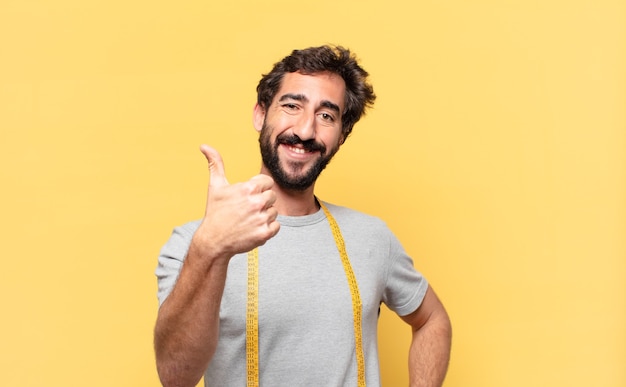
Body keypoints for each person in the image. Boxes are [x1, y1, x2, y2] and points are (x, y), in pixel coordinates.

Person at [154, 45, 452, 387]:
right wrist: (209, 248)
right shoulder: (191, 244)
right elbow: (175, 377)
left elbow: (432, 320)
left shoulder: (371, 237)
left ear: (341, 136)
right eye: (291, 106)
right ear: (260, 114)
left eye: (327, 115)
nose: (306, 130)